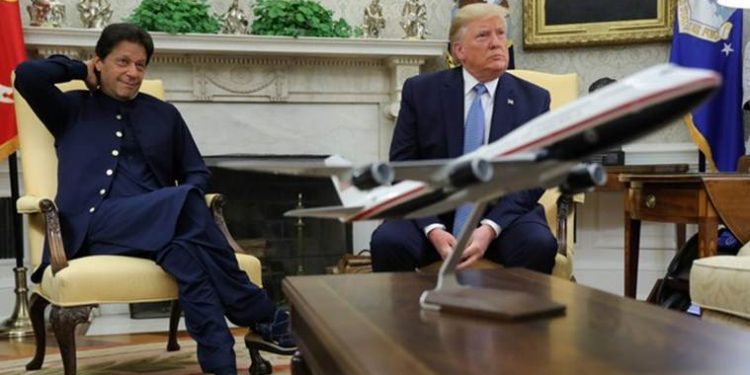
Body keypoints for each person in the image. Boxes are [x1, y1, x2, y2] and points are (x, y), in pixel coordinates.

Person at [14, 23, 294, 375]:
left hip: (162, 228)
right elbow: (26, 74)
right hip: (92, 225)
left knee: (190, 263)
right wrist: (77, 70)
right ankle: (260, 313)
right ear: (99, 62)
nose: (133, 73)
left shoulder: (164, 114)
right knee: (188, 201)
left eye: (141, 65)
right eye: (122, 62)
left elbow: (196, 172)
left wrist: (180, 197)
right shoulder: (71, 108)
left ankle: (220, 363)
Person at [370, 3, 557, 274]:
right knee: (389, 241)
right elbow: (403, 167)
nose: (496, 44)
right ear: (459, 51)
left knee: (538, 244)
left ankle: (516, 317)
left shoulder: (534, 100)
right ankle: (405, 316)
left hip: (504, 216)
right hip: (431, 212)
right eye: (484, 36)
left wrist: (489, 228)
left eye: (501, 34)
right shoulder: (421, 92)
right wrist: (433, 229)